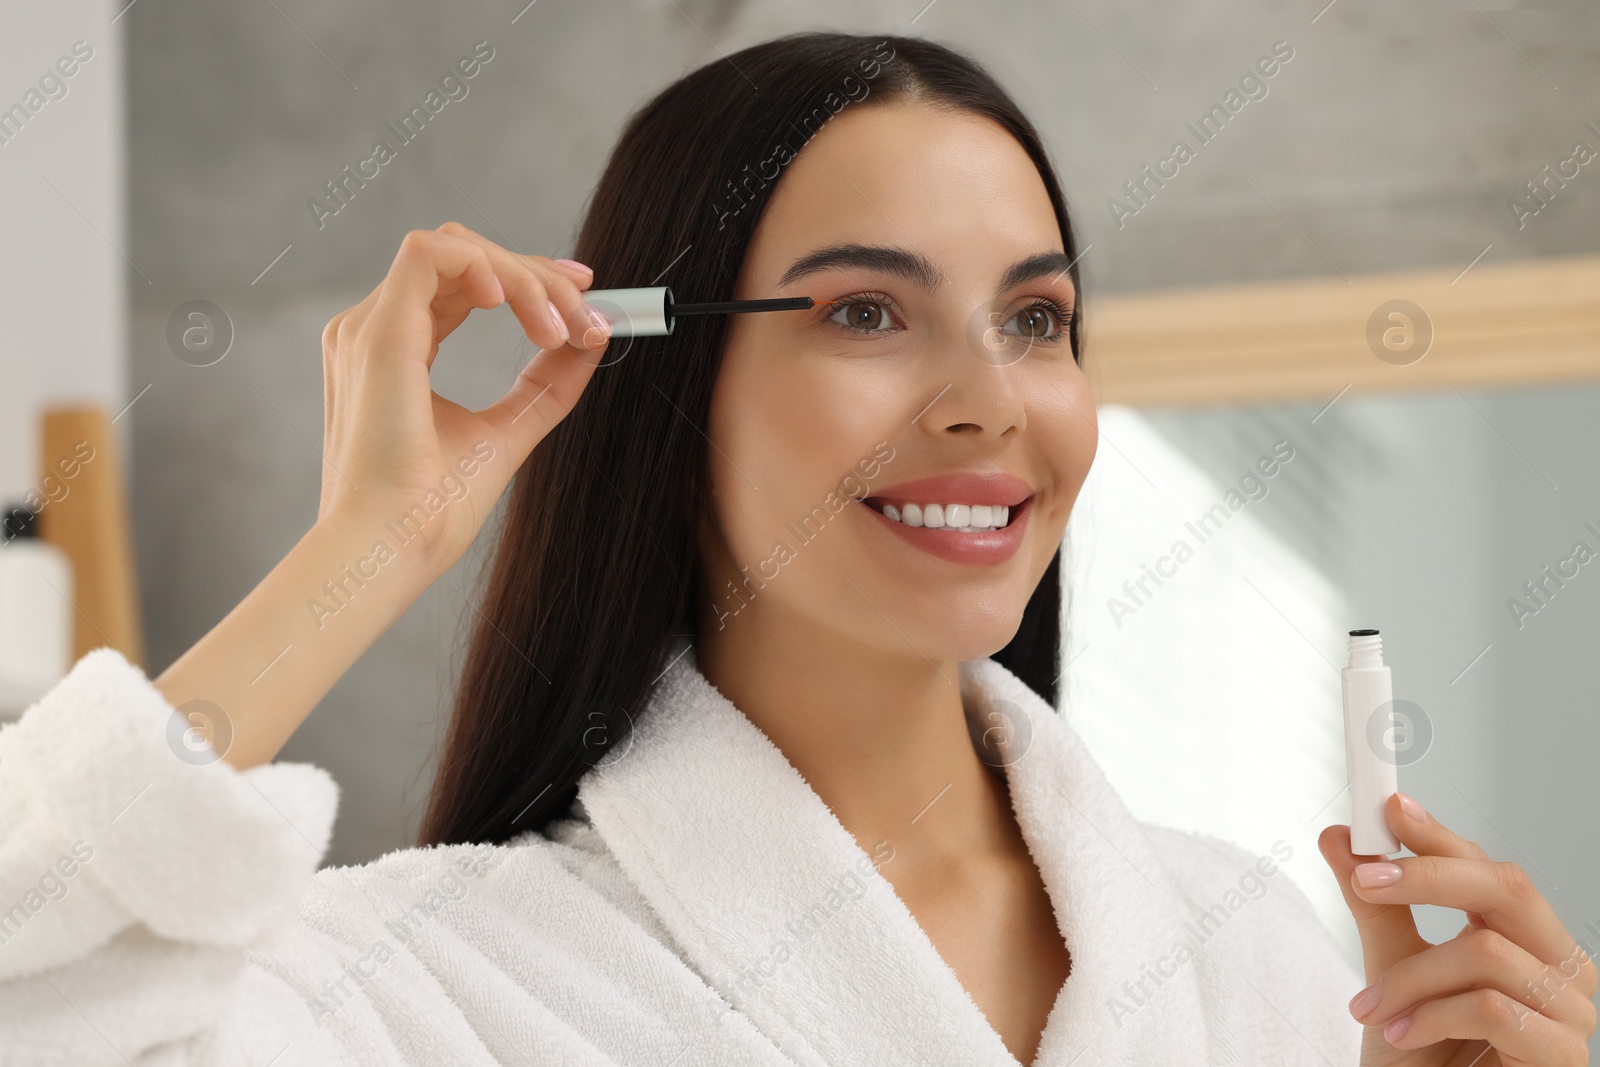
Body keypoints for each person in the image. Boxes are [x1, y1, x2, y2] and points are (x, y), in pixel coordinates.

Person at [1, 30, 1593, 1067]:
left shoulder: (1248, 957)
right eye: (864, 312)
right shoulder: (443, 982)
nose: (987, 403)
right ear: (660, 378)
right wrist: (366, 547)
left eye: (1036, 320)